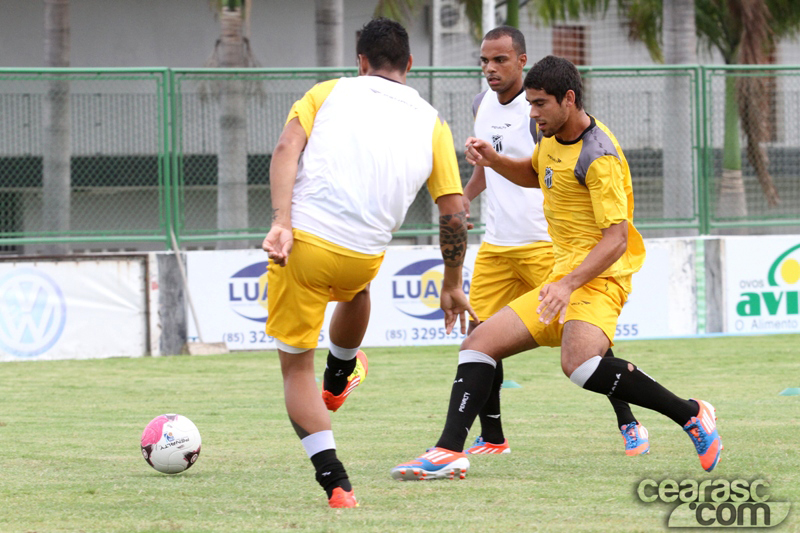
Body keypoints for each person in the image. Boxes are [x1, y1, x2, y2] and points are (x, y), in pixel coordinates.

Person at [391, 55, 721, 481]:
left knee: (580, 366)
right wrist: (493, 161)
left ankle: (691, 414)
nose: (532, 113)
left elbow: (616, 239)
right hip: (562, 275)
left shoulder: (599, 157)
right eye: (529, 104)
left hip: (600, 280)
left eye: (540, 104)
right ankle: (449, 451)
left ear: (568, 99)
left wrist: (568, 284)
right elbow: (536, 174)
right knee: (477, 343)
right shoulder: (549, 136)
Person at [262, 18, 477, 507]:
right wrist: (450, 281)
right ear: (410, 65)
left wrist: (281, 221)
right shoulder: (433, 121)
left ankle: (336, 482)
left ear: (361, 62)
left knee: (296, 373)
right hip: (363, 257)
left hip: (304, 247)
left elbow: (284, 149)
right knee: (355, 292)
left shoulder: (328, 93)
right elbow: (454, 211)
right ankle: (338, 379)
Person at [463, 27, 649, 458]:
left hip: (544, 244)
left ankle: (629, 420)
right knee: (479, 338)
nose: (491, 69)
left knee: (583, 338)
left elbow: (549, 169)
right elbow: (490, 170)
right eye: (484, 61)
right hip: (497, 242)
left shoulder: (545, 115)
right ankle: (493, 437)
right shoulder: (481, 105)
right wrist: (459, 200)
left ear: (521, 61)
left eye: (500, 60)